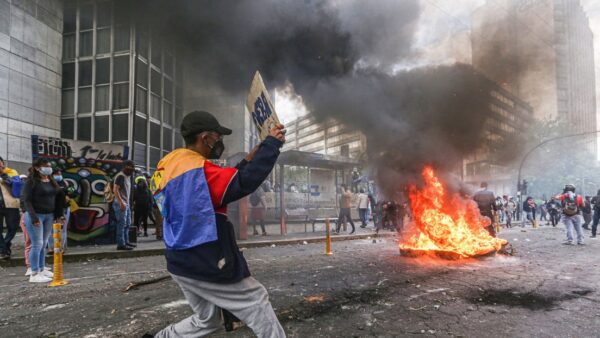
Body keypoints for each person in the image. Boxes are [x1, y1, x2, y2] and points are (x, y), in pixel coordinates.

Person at [150, 110, 286, 338]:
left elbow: (226, 180)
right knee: (256, 300)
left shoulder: (169, 164)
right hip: (203, 258)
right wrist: (272, 145)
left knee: (207, 321)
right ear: (205, 138)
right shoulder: (199, 171)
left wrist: (253, 155)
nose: (219, 141)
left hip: (178, 258)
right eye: (217, 136)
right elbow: (242, 182)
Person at [21, 158, 64, 282]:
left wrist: (59, 215)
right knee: (37, 244)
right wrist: (33, 217)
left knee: (44, 243)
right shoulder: (31, 182)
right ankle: (34, 273)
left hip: (49, 215)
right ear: (37, 168)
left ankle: (41, 268)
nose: (48, 168)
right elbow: (26, 200)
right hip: (36, 215)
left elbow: (58, 197)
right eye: (45, 166)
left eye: (49, 165)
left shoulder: (50, 180)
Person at [47, 168, 72, 254]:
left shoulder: (65, 183)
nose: (59, 175)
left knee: (62, 228)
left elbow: (72, 191)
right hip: (51, 208)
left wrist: (68, 196)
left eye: (60, 173)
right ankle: (51, 248)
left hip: (64, 208)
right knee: (50, 229)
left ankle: (60, 247)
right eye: (57, 173)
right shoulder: (48, 183)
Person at [0, 156, 21, 260]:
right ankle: (4, 250)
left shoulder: (12, 172)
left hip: (11, 205)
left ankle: (5, 246)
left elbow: (15, 185)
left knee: (13, 228)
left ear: (2, 164)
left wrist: (3, 175)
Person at [113, 160, 136, 251]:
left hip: (126, 204)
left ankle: (126, 242)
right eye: (130, 169)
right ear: (125, 168)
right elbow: (115, 190)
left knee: (127, 224)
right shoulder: (120, 176)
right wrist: (121, 202)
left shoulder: (127, 177)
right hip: (120, 204)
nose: (131, 172)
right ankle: (121, 244)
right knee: (122, 225)